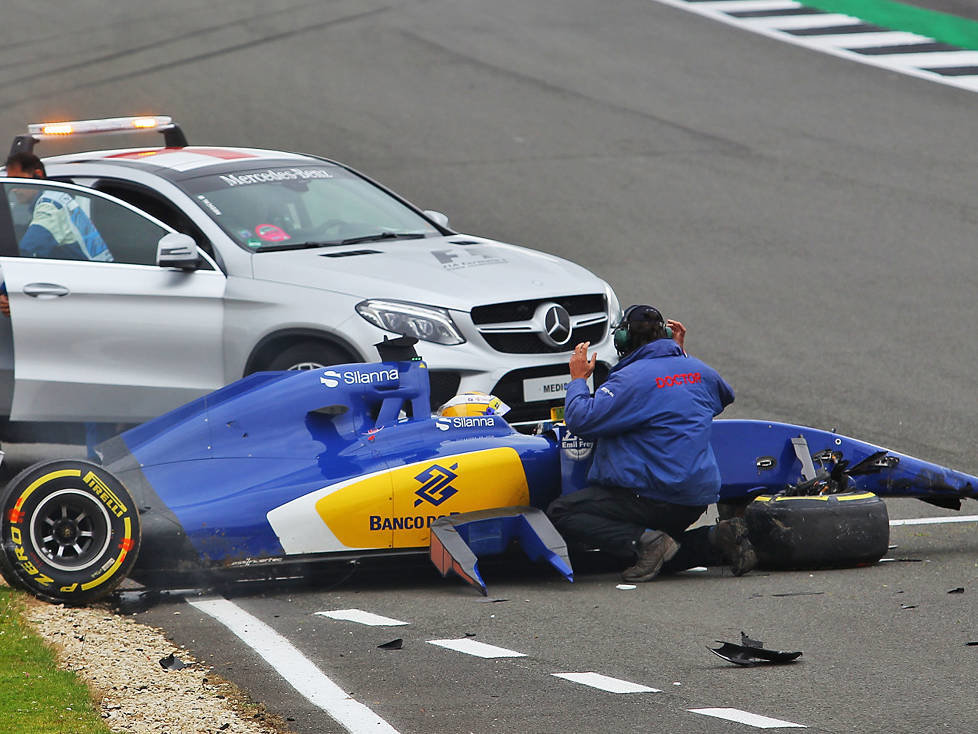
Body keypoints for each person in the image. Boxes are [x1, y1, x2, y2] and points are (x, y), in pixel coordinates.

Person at [547, 305, 756, 582]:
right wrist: (678, 360)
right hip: (694, 498)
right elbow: (721, 397)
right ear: (667, 335)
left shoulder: (629, 379)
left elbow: (580, 420)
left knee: (562, 512)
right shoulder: (698, 370)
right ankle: (716, 538)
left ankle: (647, 541)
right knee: (662, 552)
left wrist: (578, 381)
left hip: (652, 495)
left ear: (622, 340)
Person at [4, 152, 112, 262]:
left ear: (38, 175)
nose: (14, 188)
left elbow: (27, 250)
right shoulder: (56, 196)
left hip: (90, 272)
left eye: (18, 180)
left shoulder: (51, 206)